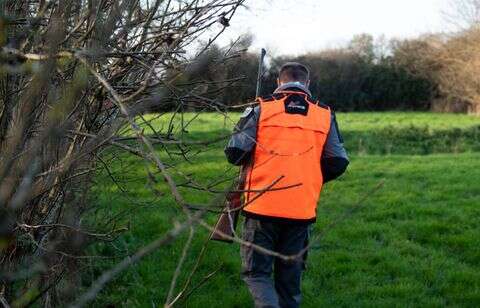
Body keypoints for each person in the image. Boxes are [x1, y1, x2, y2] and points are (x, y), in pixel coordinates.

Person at [224, 62, 349, 308]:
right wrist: (308, 176)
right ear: (308, 84)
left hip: (261, 207)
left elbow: (234, 153)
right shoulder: (324, 113)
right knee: (289, 283)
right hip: (301, 210)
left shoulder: (261, 108)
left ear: (278, 83)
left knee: (257, 274)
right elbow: (338, 161)